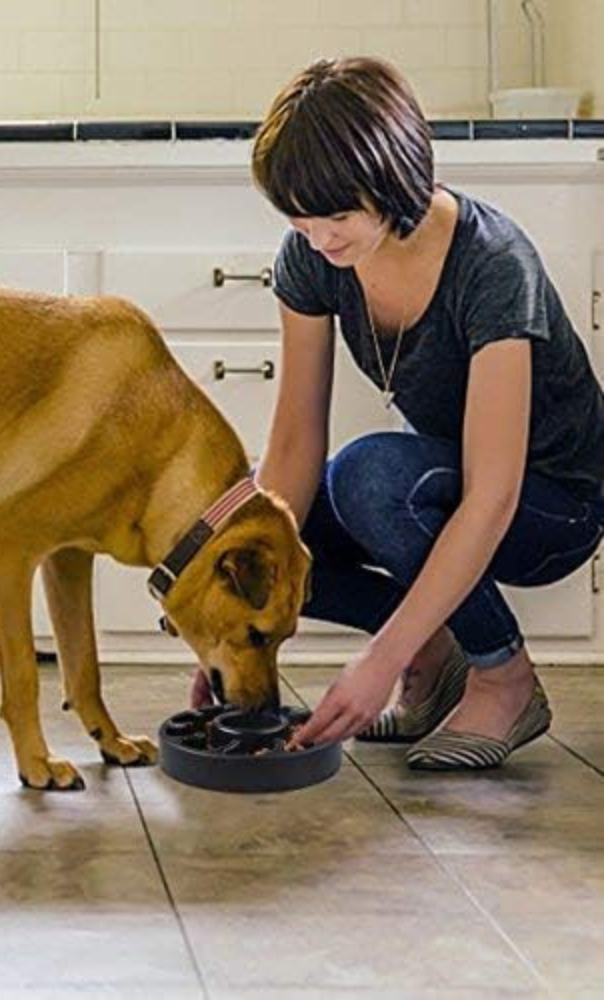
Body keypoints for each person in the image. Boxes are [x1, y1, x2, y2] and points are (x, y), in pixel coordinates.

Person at [239, 56, 604, 769]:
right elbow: (292, 445)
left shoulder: (493, 264)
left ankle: (505, 679)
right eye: (299, 220)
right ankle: (435, 661)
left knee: (370, 477)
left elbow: (494, 494)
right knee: (257, 537)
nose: (319, 239)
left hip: (554, 507)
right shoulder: (314, 257)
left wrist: (379, 659)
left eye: (336, 217)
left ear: (392, 179)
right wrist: (243, 621)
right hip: (445, 486)